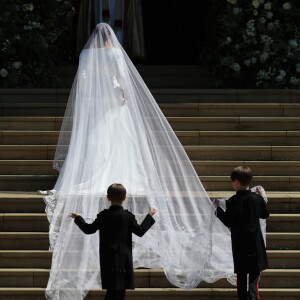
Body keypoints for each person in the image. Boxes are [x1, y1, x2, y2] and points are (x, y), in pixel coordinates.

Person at [43, 23, 236, 300]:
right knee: (119, 139)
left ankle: (95, 170)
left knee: (96, 138)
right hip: (112, 98)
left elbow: (83, 84)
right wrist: (122, 95)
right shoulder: (114, 55)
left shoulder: (87, 56)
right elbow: (122, 81)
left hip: (96, 101)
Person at [69, 183, 156, 300]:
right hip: (123, 258)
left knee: (112, 290)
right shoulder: (128, 216)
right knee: (119, 292)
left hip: (107, 257)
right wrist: (149, 216)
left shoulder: (103, 216)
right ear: (124, 198)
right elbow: (140, 231)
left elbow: (88, 229)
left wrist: (78, 218)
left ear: (108, 197)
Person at [213, 166, 269, 300]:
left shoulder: (233, 201)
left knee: (242, 281)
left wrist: (217, 209)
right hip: (255, 245)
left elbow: (228, 222)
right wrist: (262, 198)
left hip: (240, 246)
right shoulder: (257, 199)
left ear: (237, 182)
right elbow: (265, 214)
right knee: (254, 281)